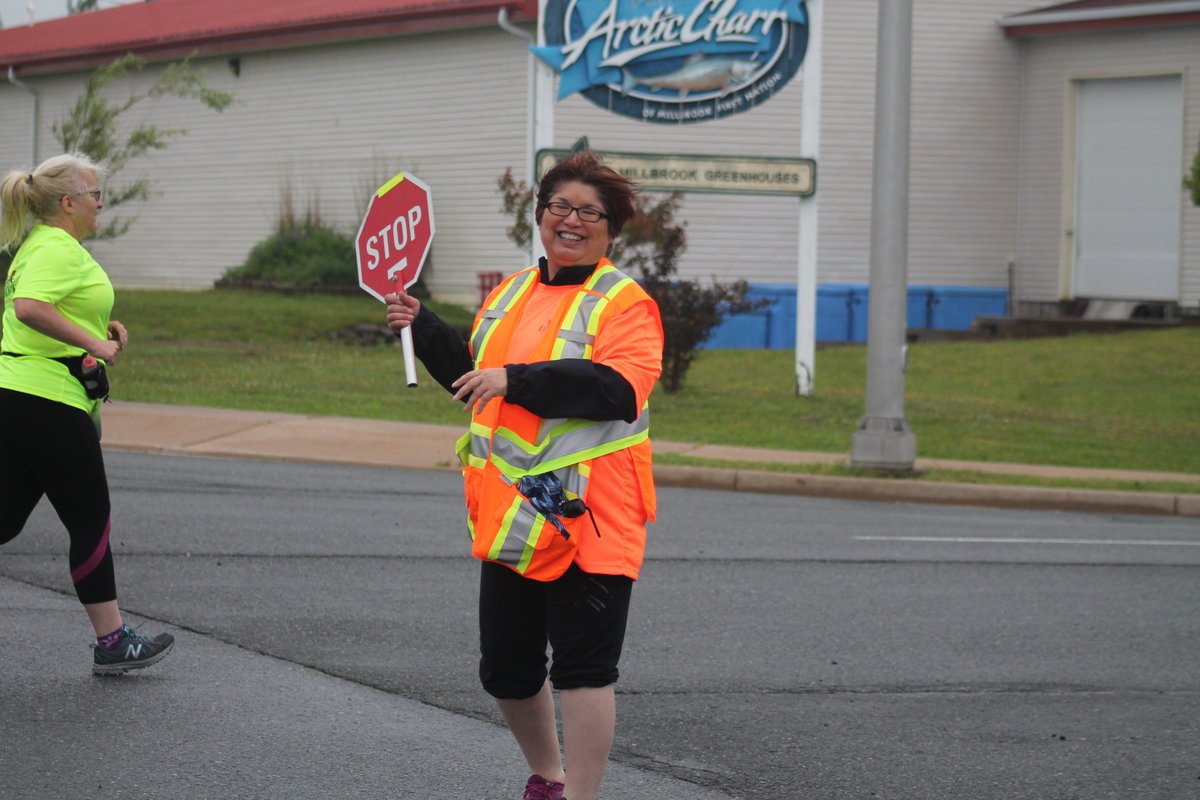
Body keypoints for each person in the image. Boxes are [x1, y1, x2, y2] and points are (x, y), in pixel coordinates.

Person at [386, 151, 663, 800]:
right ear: (539, 216)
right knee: (506, 671)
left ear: (610, 228)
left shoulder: (625, 304)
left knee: (583, 671)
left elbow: (617, 391)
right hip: (515, 515)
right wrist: (421, 326)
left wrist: (514, 379)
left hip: (591, 518)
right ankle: (550, 777)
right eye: (558, 207)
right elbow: (475, 375)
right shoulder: (510, 291)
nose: (570, 220)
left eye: (588, 212)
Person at [0, 153, 174, 675]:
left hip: (18, 395)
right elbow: (29, 308)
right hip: (48, 403)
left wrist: (98, 325)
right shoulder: (56, 246)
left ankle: (113, 640)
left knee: (4, 519)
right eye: (95, 194)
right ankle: (113, 641)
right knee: (90, 520)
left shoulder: (40, 244)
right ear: (68, 203)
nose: (102, 203)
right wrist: (93, 340)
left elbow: (44, 309)